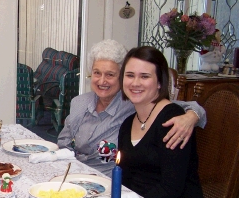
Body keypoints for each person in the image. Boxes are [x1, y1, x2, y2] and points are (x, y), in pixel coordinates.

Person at [57, 39, 206, 177]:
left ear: (121, 77)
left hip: (108, 181)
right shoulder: (79, 103)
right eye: (97, 73)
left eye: (110, 74)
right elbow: (63, 143)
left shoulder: (133, 104)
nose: (102, 81)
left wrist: (192, 116)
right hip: (76, 175)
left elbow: (173, 106)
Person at [118, 46, 204, 198]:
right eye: (130, 75)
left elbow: (171, 188)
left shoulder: (173, 120)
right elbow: (126, 178)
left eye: (145, 76)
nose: (135, 83)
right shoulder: (127, 124)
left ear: (159, 82)